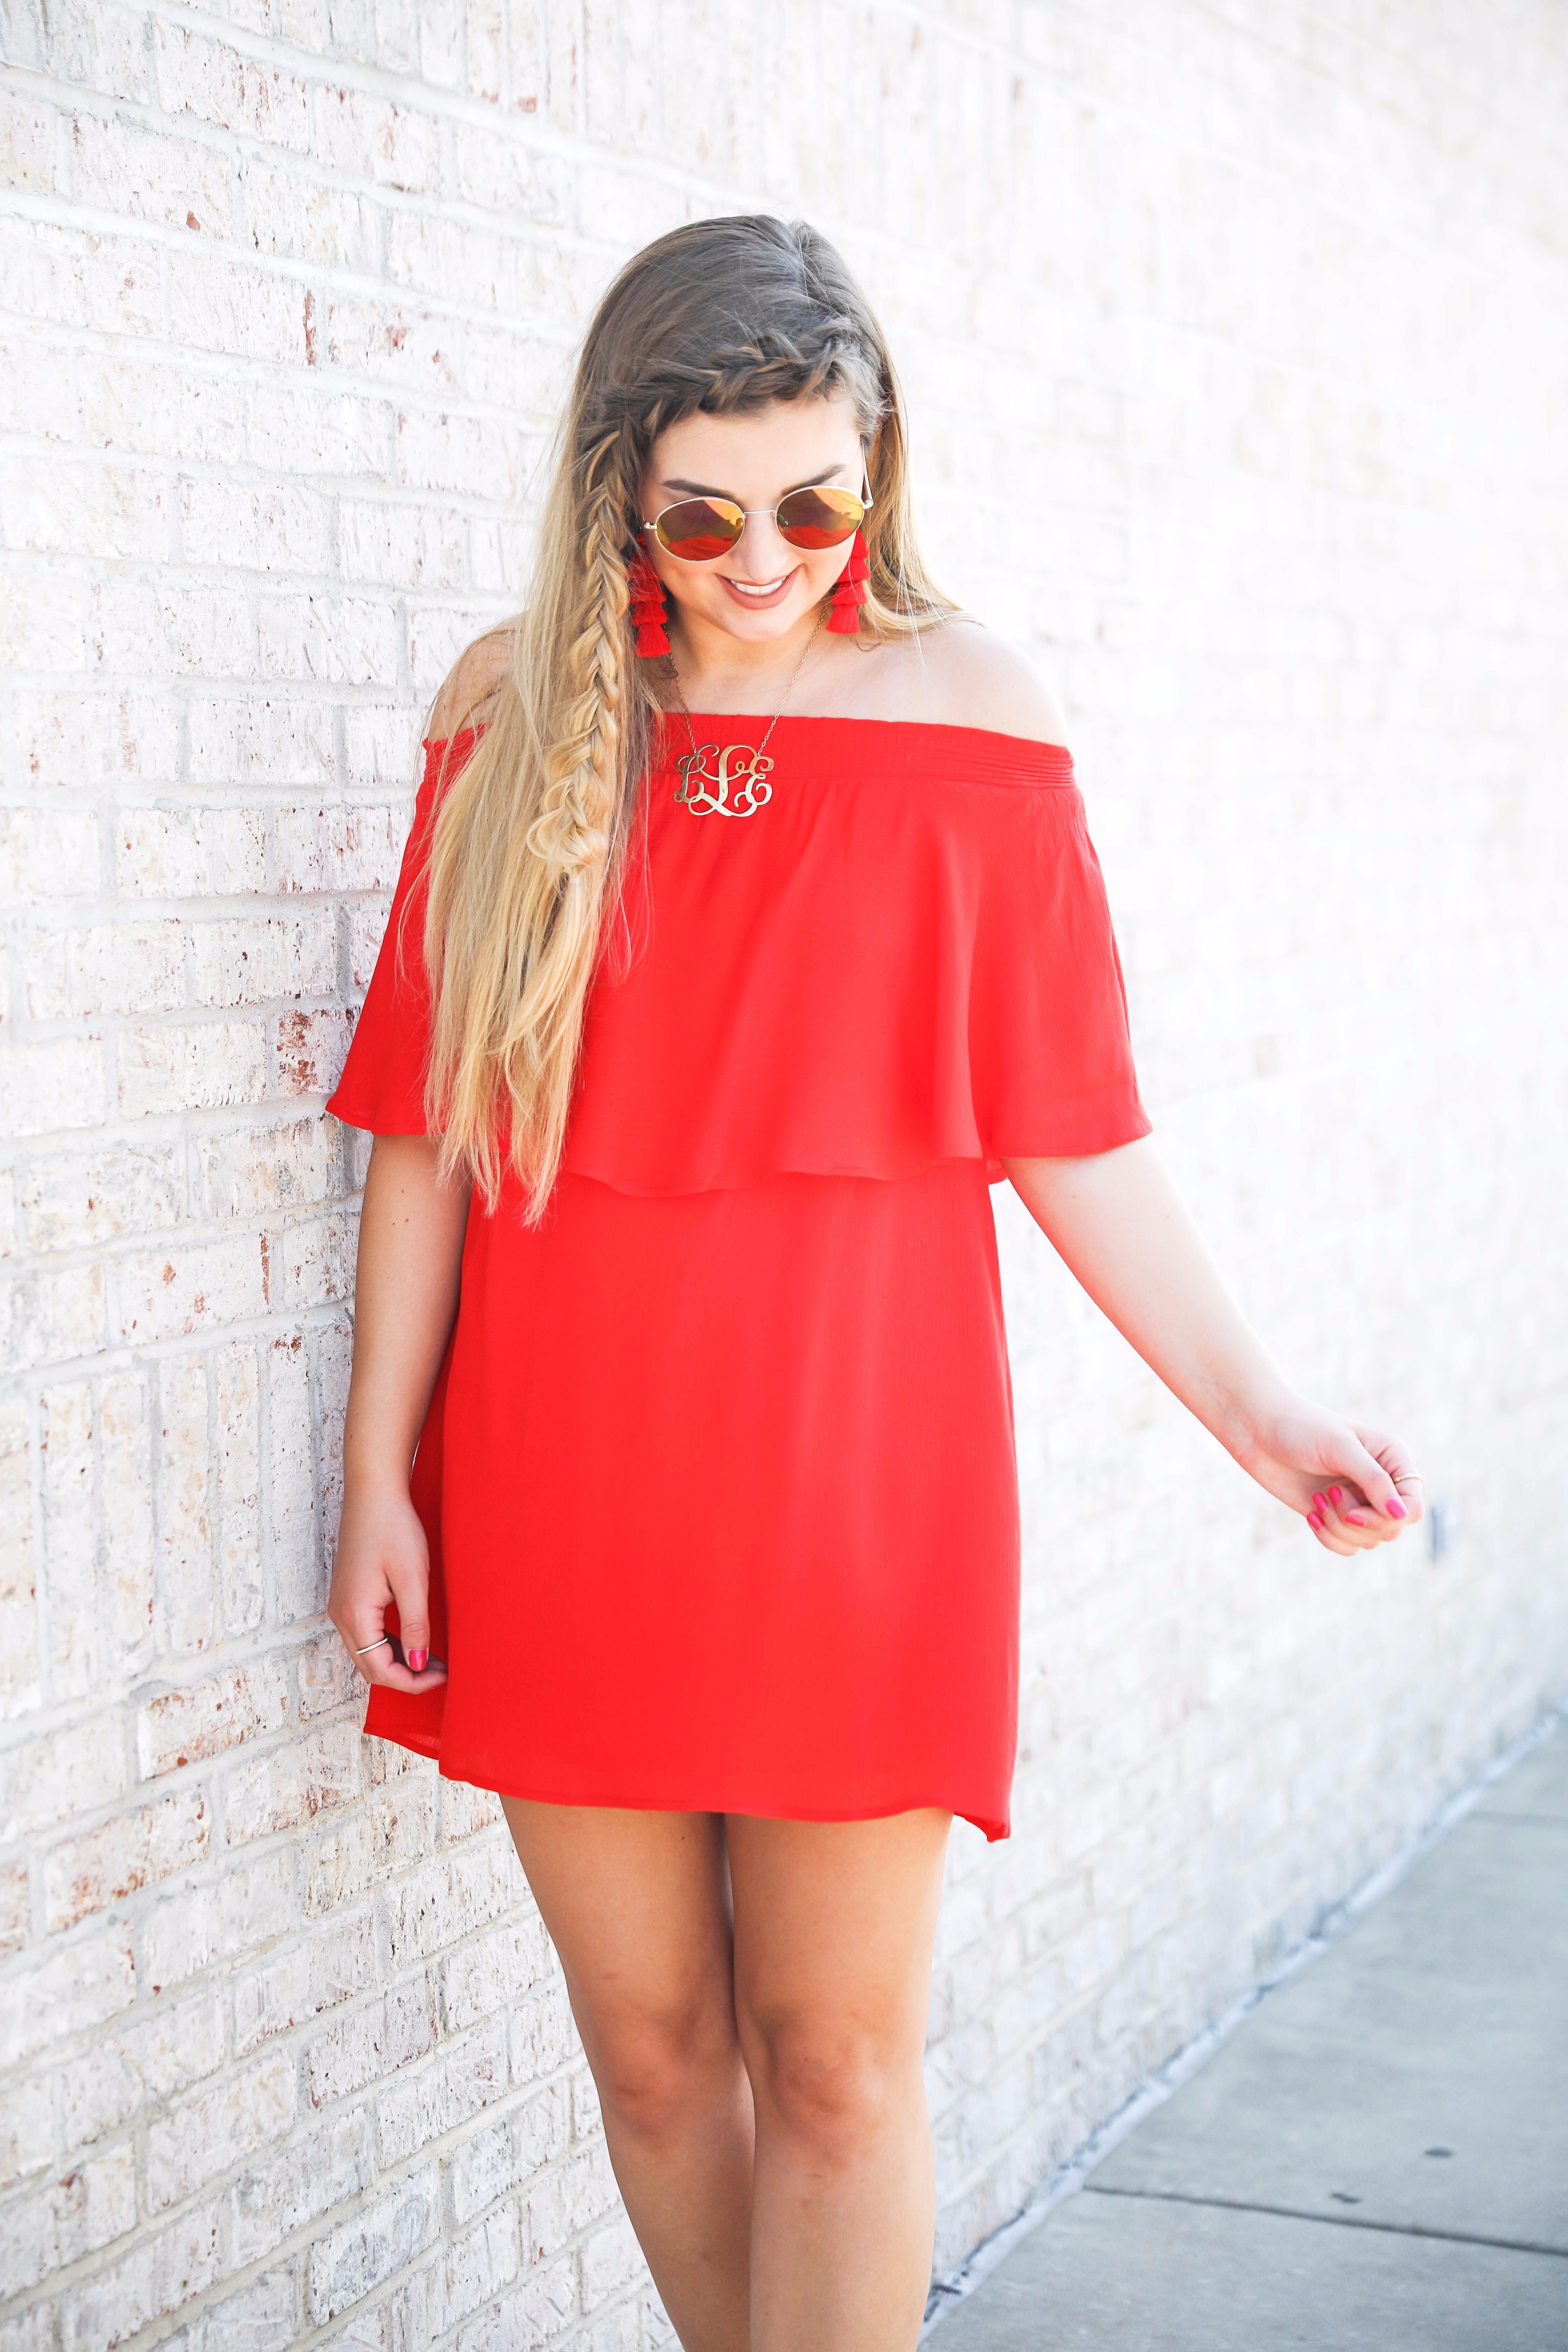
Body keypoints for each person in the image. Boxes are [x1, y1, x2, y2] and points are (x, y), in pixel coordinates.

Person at [326, 215, 1422, 2352]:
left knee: (832, 2062)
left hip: (858, 1477)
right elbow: (427, 1127)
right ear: (619, 483)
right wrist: (382, 1473)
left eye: (818, 505)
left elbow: (1072, 1130)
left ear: (883, 466)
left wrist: (1264, 1414)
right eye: (705, 514)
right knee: (651, 2055)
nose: (765, 561)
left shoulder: (975, 716)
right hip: (562, 1474)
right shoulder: (513, 709)